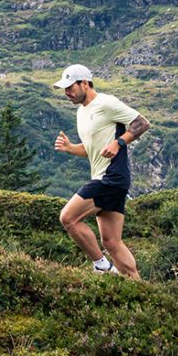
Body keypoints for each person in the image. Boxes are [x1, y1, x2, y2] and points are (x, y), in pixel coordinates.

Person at [52, 64, 150, 278]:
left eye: (70, 87)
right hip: (108, 178)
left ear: (85, 84)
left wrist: (119, 143)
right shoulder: (81, 112)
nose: (67, 93)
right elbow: (92, 150)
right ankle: (140, 289)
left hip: (111, 177)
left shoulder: (106, 103)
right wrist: (70, 148)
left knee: (68, 218)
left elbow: (142, 123)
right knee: (112, 241)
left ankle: (101, 266)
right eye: (64, 89)